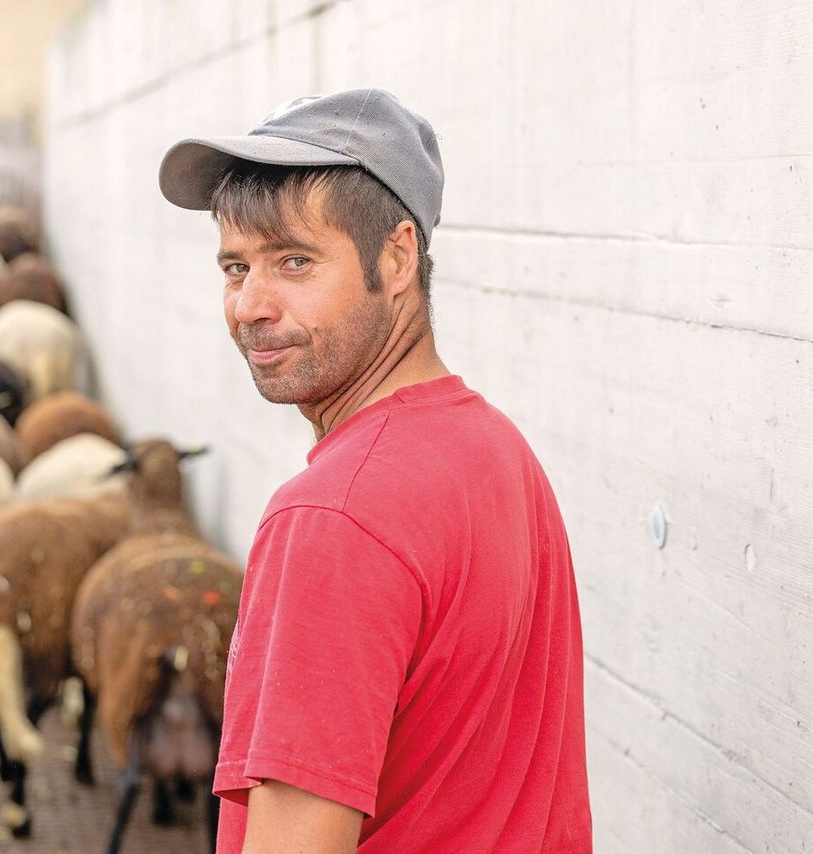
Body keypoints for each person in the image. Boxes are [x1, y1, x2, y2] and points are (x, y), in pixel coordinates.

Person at [157, 89, 592, 853]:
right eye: (235, 266)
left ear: (394, 259)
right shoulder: (497, 452)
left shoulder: (333, 516)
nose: (250, 305)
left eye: (294, 261)